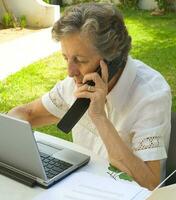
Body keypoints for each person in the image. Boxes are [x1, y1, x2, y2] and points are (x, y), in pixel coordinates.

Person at [7, 2, 171, 190]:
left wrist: (100, 117)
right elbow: (25, 113)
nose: (70, 72)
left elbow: (151, 184)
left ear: (112, 61)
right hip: (80, 189)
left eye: (80, 60)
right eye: (66, 58)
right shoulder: (75, 83)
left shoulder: (150, 94)